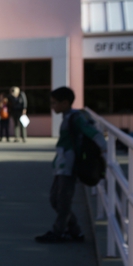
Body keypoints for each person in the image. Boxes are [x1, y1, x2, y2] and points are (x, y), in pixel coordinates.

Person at [35, 87, 106, 243]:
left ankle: (58, 232)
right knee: (55, 199)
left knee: (63, 201)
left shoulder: (75, 117)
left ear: (65, 103)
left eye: (54, 103)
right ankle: (75, 231)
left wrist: (104, 147)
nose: (52, 106)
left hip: (69, 166)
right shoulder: (68, 117)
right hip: (62, 164)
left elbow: (92, 132)